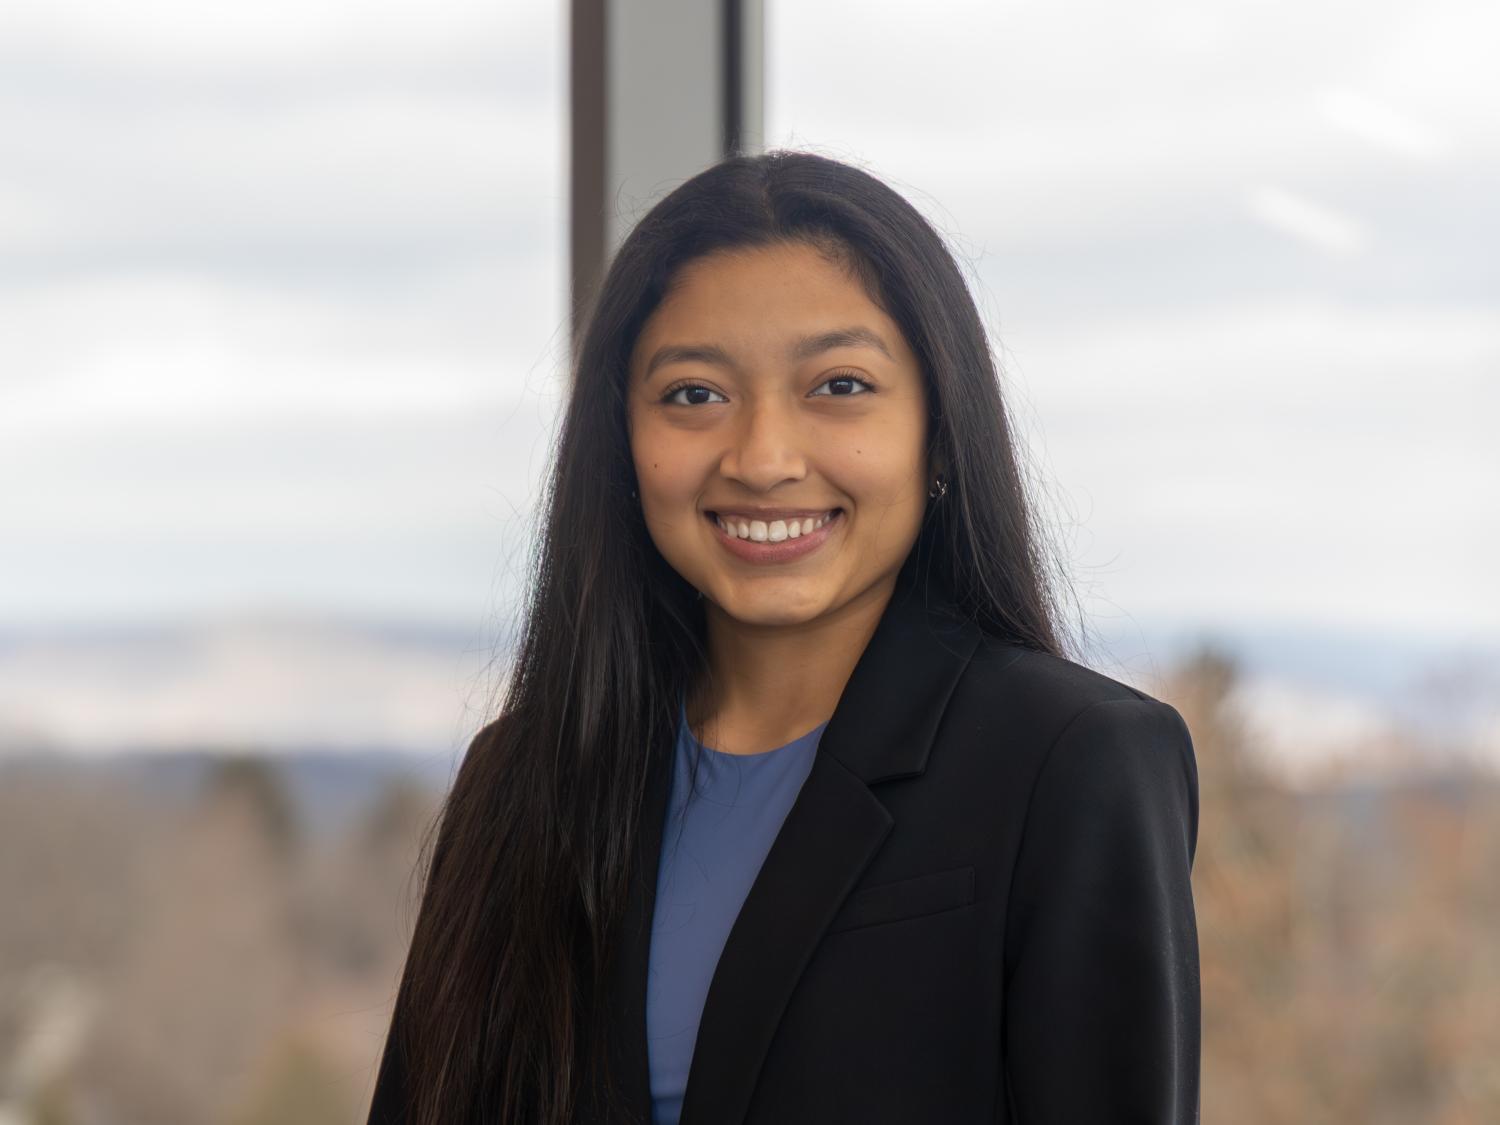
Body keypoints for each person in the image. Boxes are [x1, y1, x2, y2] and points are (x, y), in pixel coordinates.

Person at [366, 150, 1201, 1125]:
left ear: (939, 431)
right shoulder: (519, 781)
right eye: (694, 394)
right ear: (621, 443)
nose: (762, 459)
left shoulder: (1072, 763)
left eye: (839, 385)